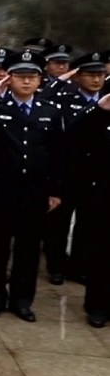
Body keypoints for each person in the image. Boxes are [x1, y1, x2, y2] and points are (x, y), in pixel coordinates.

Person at [0, 51, 63, 322]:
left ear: (40, 81)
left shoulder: (49, 111)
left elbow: (55, 154)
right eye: (20, 77)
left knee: (28, 251)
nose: (26, 82)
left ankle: (22, 301)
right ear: (9, 79)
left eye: (32, 77)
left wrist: (55, 190)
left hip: (34, 192)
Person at [67, 89, 110, 327]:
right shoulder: (99, 118)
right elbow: (72, 135)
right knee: (102, 254)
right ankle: (98, 306)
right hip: (103, 195)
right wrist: (97, 109)